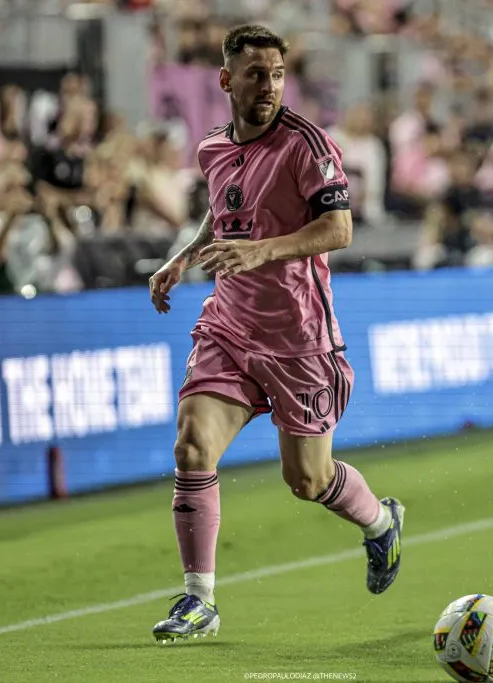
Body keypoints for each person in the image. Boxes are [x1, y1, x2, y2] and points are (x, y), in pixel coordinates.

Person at [147, 24, 404, 643]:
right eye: (256, 74)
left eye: (278, 75)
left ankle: (380, 523)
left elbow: (339, 229)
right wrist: (184, 257)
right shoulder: (212, 147)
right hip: (230, 327)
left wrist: (262, 251)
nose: (269, 86)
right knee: (191, 448)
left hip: (299, 339)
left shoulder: (307, 145)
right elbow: (223, 210)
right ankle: (199, 601)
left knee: (307, 481)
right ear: (226, 80)